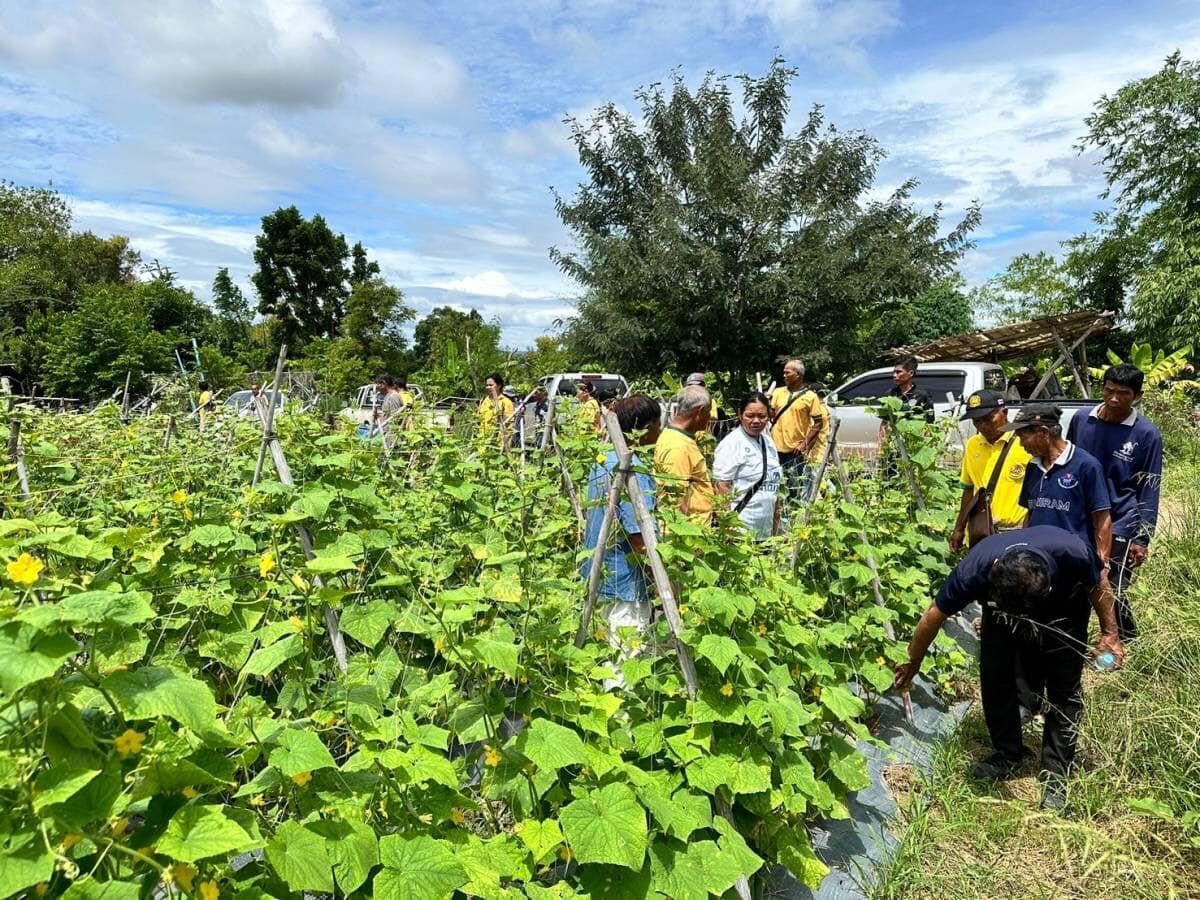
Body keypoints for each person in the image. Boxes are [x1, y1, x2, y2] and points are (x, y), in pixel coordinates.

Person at [893, 526, 1124, 810]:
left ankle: (1055, 775)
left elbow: (1097, 584)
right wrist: (914, 662)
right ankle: (1008, 753)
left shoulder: (1072, 551)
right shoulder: (976, 568)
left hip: (1064, 611)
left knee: (1064, 691)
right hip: (1001, 615)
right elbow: (934, 615)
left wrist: (1110, 633)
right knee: (996, 678)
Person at [1066, 364, 1163, 641]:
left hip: (1121, 520)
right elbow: (1069, 463)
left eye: (1123, 393)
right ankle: (1076, 641)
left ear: (1138, 395)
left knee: (1113, 585)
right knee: (1076, 582)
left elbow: (1150, 487)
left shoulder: (1147, 434)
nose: (1114, 399)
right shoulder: (1082, 420)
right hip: (1081, 517)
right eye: (1109, 391)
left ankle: (1125, 639)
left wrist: (1142, 538)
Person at [581, 395, 663, 682]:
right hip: (626, 580)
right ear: (646, 427)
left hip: (600, 572)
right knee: (626, 661)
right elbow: (638, 538)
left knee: (606, 652)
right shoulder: (632, 469)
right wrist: (663, 580)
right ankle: (621, 723)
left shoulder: (604, 460)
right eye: (657, 425)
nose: (660, 432)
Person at [1004, 404, 1112, 566]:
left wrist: (1103, 564)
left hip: (1074, 560)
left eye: (1023, 437)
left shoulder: (1086, 466)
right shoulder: (1033, 467)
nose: (1021, 444)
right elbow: (1029, 513)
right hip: (1038, 561)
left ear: (1043, 433)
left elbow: (1102, 519)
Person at [949, 390, 1033, 553]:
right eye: (976, 421)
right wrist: (959, 528)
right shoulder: (973, 444)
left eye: (988, 419)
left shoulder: (1025, 442)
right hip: (981, 533)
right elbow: (968, 490)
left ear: (1005, 412)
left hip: (1016, 533)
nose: (982, 426)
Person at [713, 391, 783, 539]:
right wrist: (728, 530)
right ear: (740, 414)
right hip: (740, 533)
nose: (756, 421)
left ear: (769, 415)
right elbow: (721, 487)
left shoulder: (768, 442)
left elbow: (775, 485)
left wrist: (776, 525)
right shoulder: (731, 444)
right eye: (750, 416)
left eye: (762, 416)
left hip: (765, 531)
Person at [654, 386, 714, 525]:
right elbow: (677, 499)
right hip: (688, 538)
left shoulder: (674, 436)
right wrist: (691, 535)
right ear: (700, 411)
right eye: (708, 411)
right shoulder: (678, 447)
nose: (710, 417)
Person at [769, 360, 824, 502]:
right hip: (774, 449)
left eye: (787, 372)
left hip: (795, 451)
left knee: (794, 487)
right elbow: (771, 416)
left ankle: (791, 518)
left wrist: (804, 444)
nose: (784, 375)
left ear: (798, 375)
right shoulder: (777, 393)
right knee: (773, 486)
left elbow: (818, 423)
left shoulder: (810, 397)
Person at [478, 373, 515, 444]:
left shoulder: (506, 402)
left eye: (491, 385)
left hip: (498, 443)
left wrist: (506, 444)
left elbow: (510, 425)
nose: (488, 387)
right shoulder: (485, 401)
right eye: (487, 385)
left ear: (499, 386)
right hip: (483, 440)